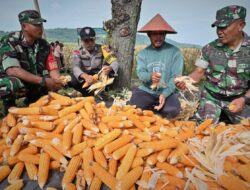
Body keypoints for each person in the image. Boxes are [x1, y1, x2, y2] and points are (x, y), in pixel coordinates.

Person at [175, 5, 250, 124]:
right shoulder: (208, 49)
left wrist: (244, 99)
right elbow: (198, 72)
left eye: (224, 26)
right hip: (211, 98)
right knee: (201, 130)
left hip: (239, 100)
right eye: (217, 27)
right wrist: (186, 81)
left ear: (241, 25)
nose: (219, 31)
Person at [0, 10, 64, 114]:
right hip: (10, 78)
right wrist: (43, 81)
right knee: (13, 83)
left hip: (33, 78)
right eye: (36, 25)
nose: (40, 28)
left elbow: (52, 68)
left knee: (49, 82)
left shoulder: (44, 45)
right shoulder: (10, 41)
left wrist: (57, 81)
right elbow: (12, 70)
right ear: (24, 26)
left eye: (41, 24)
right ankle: (9, 104)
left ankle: (32, 101)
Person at [129, 14, 184, 119]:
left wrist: (165, 94)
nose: (158, 37)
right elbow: (141, 74)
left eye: (161, 34)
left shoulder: (175, 52)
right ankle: (152, 106)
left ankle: (155, 107)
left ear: (165, 35)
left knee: (172, 111)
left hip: (167, 91)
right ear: (149, 35)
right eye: (154, 34)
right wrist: (150, 76)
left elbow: (176, 77)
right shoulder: (143, 54)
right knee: (133, 107)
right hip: (147, 90)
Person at [69, 26, 119, 96]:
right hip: (85, 76)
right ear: (82, 41)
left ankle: (100, 91)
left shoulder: (103, 48)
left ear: (95, 39)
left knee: (112, 74)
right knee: (72, 80)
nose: (90, 43)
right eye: (86, 41)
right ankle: (84, 92)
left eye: (92, 40)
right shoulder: (77, 51)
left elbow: (115, 62)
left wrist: (110, 68)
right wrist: (85, 76)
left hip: (97, 74)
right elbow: (75, 67)